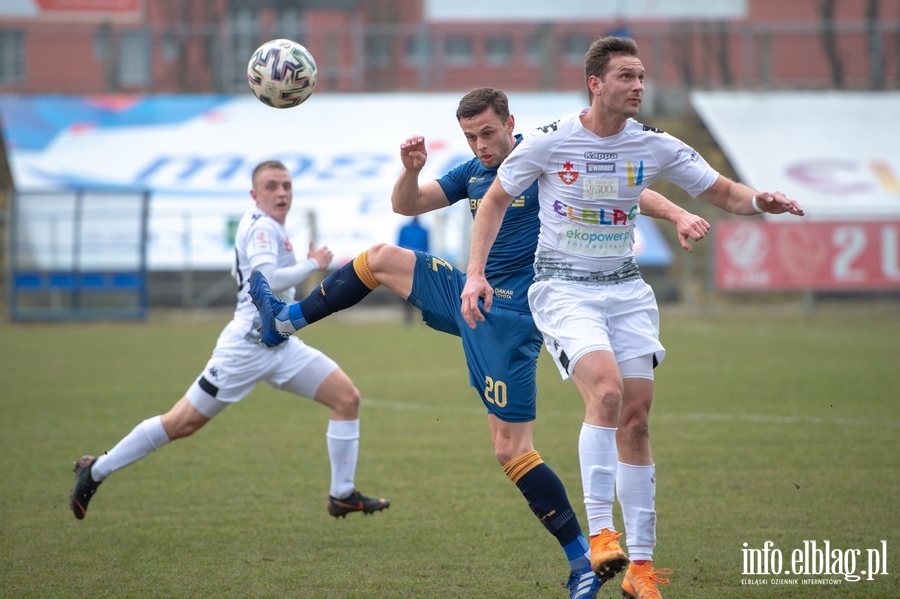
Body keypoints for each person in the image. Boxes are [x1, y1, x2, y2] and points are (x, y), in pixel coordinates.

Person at [248, 88, 708, 599]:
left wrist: (678, 214)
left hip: (510, 315)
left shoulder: (544, 155)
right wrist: (410, 168)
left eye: (488, 133)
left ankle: (582, 561)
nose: (481, 145)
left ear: (511, 122)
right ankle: (284, 322)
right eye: (471, 137)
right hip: (471, 289)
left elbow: (621, 190)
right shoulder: (471, 170)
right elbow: (406, 204)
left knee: (510, 449)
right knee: (378, 258)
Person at [459, 39, 804, 599]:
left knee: (637, 422)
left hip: (626, 290)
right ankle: (600, 535)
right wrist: (475, 274)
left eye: (642, 76)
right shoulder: (549, 141)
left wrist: (761, 200)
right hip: (563, 289)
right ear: (595, 83)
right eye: (626, 76)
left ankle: (641, 569)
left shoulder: (653, 144)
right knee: (608, 392)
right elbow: (495, 201)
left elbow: (723, 191)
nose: (638, 85)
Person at [69, 160, 389, 521]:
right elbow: (267, 278)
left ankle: (342, 494)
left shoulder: (269, 226)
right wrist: (311, 263)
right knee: (181, 423)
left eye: (286, 185)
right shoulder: (262, 229)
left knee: (346, 398)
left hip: (280, 342)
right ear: (254, 194)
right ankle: (96, 470)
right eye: (271, 186)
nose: (281, 192)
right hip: (246, 347)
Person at [396, 216, 430, 324]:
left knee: (421, 290)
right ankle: (408, 316)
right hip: (405, 263)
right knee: (404, 289)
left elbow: (426, 247)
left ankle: (424, 316)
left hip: (419, 264)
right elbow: (399, 245)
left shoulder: (424, 230)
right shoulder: (404, 229)